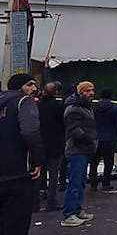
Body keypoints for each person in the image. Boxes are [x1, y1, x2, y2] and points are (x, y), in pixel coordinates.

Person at [0, 74, 44, 235]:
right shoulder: (24, 101)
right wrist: (38, 160)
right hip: (19, 173)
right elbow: (30, 132)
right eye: (29, 85)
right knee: (16, 224)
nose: (34, 88)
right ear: (19, 87)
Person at [62, 81, 97, 227]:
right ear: (80, 92)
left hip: (84, 150)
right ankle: (69, 214)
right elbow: (74, 130)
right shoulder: (74, 109)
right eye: (87, 91)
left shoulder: (86, 107)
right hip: (76, 150)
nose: (91, 93)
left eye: (92, 90)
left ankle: (77, 210)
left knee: (81, 182)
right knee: (75, 183)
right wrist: (88, 140)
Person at [38, 81, 64, 211]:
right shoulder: (59, 107)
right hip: (55, 144)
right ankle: (52, 201)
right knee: (53, 175)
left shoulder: (37, 105)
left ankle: (37, 200)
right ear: (56, 93)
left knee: (38, 173)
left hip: (40, 144)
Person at [89, 87, 117, 191]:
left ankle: (93, 184)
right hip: (109, 138)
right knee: (108, 162)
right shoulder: (114, 108)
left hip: (95, 138)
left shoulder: (93, 107)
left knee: (94, 162)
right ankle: (106, 183)